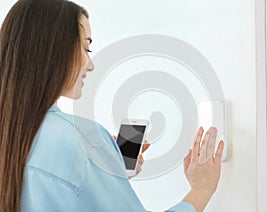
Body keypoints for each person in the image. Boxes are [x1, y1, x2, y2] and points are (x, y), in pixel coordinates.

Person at [0, 0, 224, 211]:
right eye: (86, 48)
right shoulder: (82, 142)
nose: (91, 65)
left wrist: (102, 176)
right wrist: (201, 189)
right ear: (53, 51)